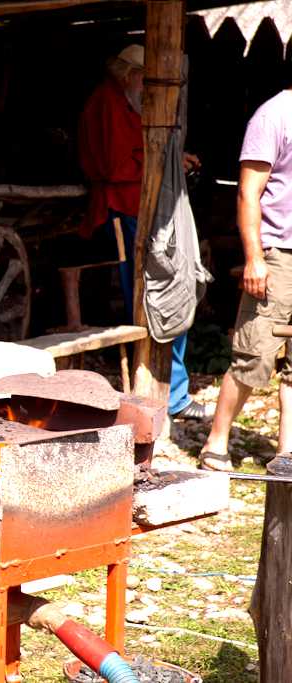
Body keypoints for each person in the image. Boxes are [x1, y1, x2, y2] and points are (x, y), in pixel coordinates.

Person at [78, 44, 211, 420]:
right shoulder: (107, 103)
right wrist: (163, 165)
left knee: (165, 292)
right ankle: (167, 395)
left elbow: (137, 154)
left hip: (140, 207)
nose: (145, 84)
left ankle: (170, 392)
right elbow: (116, 166)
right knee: (158, 296)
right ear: (127, 74)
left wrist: (172, 162)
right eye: (141, 76)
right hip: (124, 209)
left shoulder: (124, 104)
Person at [198, 86, 292, 471]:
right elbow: (248, 194)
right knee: (253, 355)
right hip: (279, 254)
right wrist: (254, 258)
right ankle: (215, 445)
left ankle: (287, 452)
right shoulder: (274, 115)